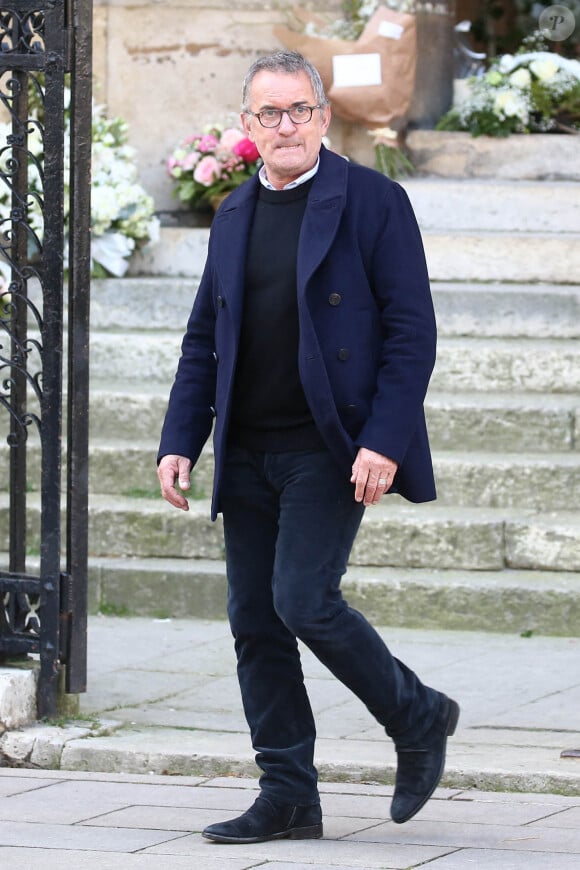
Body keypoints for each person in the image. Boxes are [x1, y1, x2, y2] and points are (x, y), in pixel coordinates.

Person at [157, 49, 459, 845]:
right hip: (247, 448)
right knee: (255, 622)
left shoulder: (372, 201)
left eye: (298, 110)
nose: (284, 126)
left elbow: (410, 332)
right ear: (246, 125)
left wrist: (385, 439)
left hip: (330, 446)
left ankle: (418, 714)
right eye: (268, 113)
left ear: (324, 118)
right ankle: (288, 793)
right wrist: (180, 438)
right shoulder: (232, 213)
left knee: (303, 600)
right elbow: (202, 341)